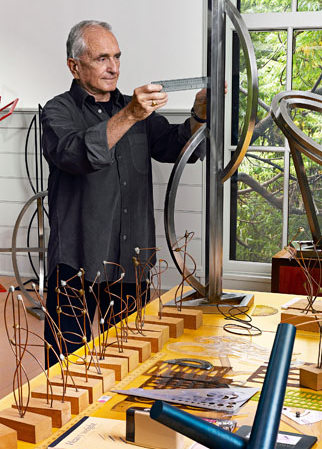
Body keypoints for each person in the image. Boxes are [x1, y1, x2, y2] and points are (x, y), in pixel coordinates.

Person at [41, 20, 207, 364]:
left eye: (116, 57)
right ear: (75, 66)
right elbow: (77, 153)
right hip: (76, 259)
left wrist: (199, 116)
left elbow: (173, 146)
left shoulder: (134, 111)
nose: (113, 67)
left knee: (131, 358)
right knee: (66, 365)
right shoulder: (58, 111)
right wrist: (131, 114)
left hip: (130, 260)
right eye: (102, 58)